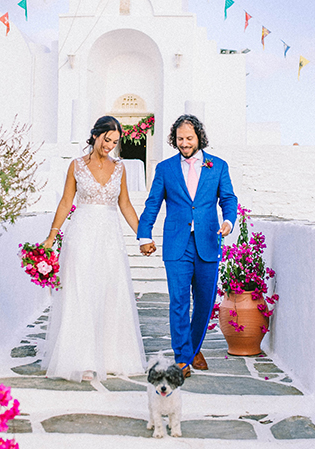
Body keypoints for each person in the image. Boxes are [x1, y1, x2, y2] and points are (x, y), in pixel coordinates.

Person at [40, 115, 147, 382]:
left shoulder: (120, 168)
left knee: (111, 290)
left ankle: (111, 357)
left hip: (110, 235)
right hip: (82, 232)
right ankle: (81, 358)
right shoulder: (76, 166)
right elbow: (66, 202)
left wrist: (143, 236)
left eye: (115, 141)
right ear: (95, 135)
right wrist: (51, 237)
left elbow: (125, 205)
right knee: (81, 292)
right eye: (106, 139)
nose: (110, 145)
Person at [137, 115, 237, 377]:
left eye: (189, 138)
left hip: (207, 242)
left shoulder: (218, 166)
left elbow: (228, 198)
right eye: (180, 138)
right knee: (179, 301)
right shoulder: (165, 168)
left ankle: (192, 348)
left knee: (204, 302)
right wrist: (144, 234)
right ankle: (183, 357)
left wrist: (228, 221)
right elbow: (152, 203)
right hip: (177, 244)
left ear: (199, 137)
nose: (184, 143)